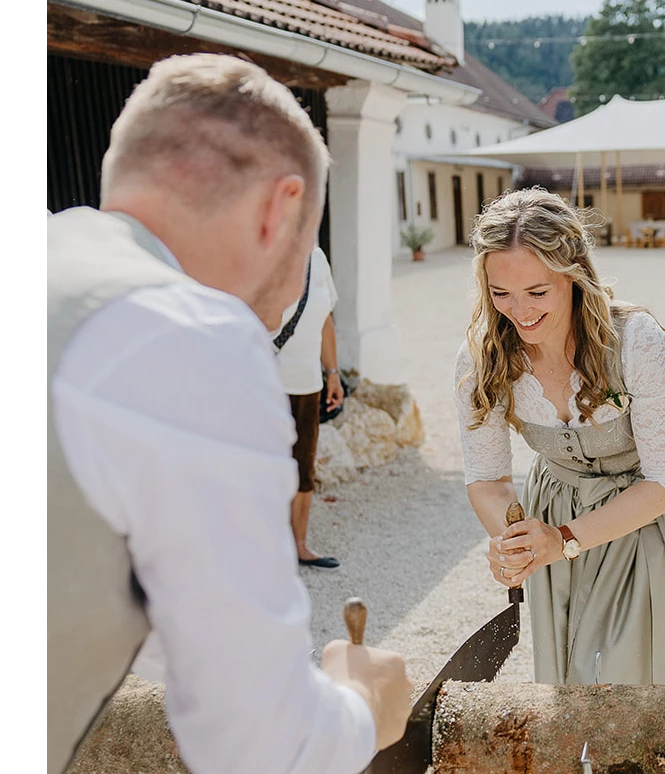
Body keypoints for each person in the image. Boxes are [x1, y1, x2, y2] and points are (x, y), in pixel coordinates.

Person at [47, 53, 411, 774]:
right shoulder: (195, 336)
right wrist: (362, 706)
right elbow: (259, 749)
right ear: (280, 209)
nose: (290, 301)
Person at [453, 187, 665, 773]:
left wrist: (565, 539)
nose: (519, 310)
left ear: (574, 273)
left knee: (643, 690)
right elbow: (487, 477)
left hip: (642, 522)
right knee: (572, 688)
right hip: (554, 528)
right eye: (500, 292)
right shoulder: (482, 355)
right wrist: (514, 539)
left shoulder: (634, 342)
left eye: (537, 291)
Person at [274, 244, 344, 568]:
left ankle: (299, 545)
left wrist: (332, 374)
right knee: (266, 467)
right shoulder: (262, 252)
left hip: (307, 384)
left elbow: (324, 320)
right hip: (267, 382)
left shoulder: (317, 258)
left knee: (303, 467)